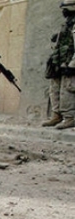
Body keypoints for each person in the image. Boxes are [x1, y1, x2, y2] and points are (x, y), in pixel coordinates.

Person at [42, 0, 75, 129]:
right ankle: (56, 115)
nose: (63, 12)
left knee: (67, 91)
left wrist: (72, 66)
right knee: (54, 89)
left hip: (69, 64)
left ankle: (70, 117)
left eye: (65, 9)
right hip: (59, 63)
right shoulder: (67, 25)